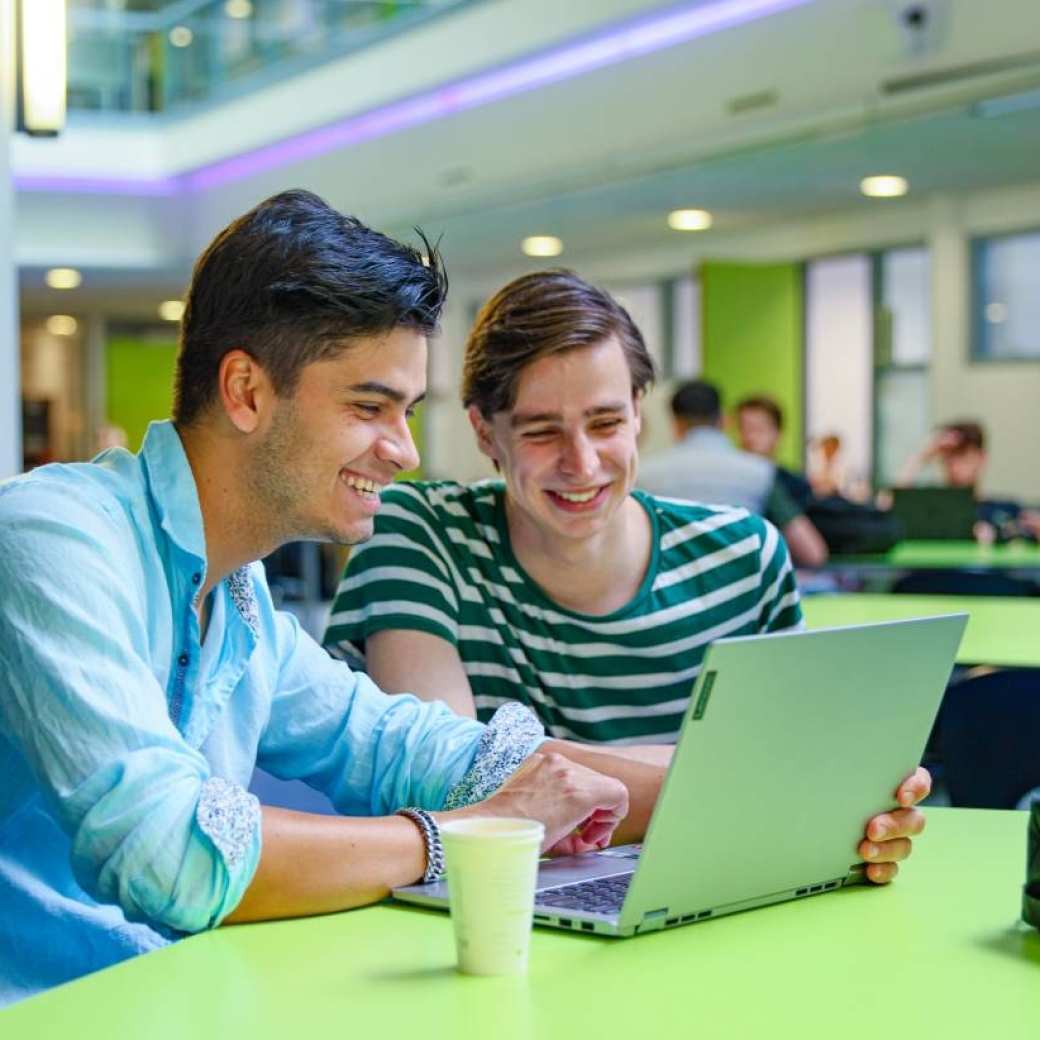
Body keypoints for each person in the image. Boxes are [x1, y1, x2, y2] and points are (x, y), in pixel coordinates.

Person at [0, 192, 661, 1007]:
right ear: (245, 390)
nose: (406, 452)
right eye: (368, 406)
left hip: (161, 1003)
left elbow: (411, 749)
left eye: (408, 412)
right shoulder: (54, 536)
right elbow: (166, 850)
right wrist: (455, 838)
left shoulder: (233, 597)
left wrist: (741, 798)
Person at [323, 270, 925, 869]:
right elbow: (442, 781)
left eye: (606, 423)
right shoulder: (418, 531)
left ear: (639, 411)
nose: (582, 463)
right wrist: (762, 785)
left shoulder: (744, 558)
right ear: (486, 432)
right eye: (541, 431)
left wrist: (843, 807)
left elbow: (807, 780)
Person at [638, 380, 828, 567]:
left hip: (673, 595)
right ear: (722, 419)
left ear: (676, 424)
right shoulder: (761, 473)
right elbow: (812, 553)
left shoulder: (644, 475)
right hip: (743, 591)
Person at [898, 421, 1039, 542]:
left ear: (981, 458)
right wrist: (922, 456)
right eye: (948, 455)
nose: (953, 463)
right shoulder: (926, 510)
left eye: (962, 454)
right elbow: (887, 511)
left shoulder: (1006, 511)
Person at [735, 394, 813, 509]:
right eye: (743, 428)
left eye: (758, 429)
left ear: (777, 433)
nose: (749, 437)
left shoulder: (794, 485)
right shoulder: (731, 480)